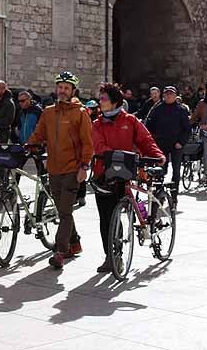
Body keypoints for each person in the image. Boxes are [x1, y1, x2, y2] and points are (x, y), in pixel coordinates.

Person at [90, 83, 164, 274]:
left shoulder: (130, 121)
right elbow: (98, 146)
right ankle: (111, 256)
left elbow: (145, 140)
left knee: (116, 212)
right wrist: (116, 155)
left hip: (124, 173)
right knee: (106, 218)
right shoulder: (97, 124)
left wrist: (157, 155)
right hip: (103, 174)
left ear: (115, 102)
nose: (100, 101)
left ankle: (117, 254)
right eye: (100, 98)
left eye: (104, 98)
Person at [25, 71, 94, 270]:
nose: (62, 91)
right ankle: (75, 243)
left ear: (73, 90)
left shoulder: (80, 112)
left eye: (66, 88)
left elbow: (87, 143)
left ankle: (60, 251)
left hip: (73, 168)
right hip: (53, 168)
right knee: (63, 210)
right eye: (60, 87)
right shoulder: (48, 112)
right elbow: (38, 134)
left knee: (64, 212)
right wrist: (28, 146)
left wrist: (84, 166)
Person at [144, 86, 188, 186]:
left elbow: (187, 129)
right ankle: (159, 192)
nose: (168, 96)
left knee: (176, 169)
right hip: (161, 143)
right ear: (163, 95)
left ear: (175, 96)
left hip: (176, 144)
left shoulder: (181, 109)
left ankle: (174, 194)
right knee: (160, 168)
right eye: (166, 94)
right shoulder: (157, 108)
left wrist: (181, 142)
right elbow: (149, 125)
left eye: (171, 94)